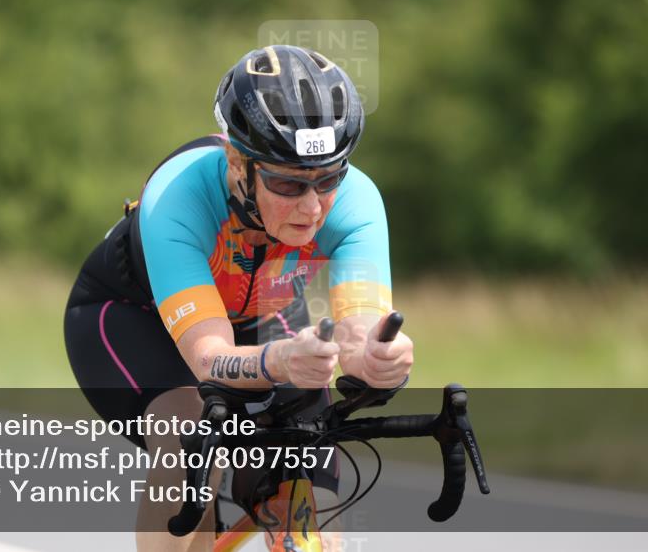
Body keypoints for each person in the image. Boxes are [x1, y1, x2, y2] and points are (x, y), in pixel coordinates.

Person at [64, 44, 413, 551]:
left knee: (310, 470)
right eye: (287, 184)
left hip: (264, 321)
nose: (313, 207)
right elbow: (209, 359)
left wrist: (378, 359)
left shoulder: (356, 202)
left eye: (329, 179)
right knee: (189, 436)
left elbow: (361, 330)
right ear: (237, 162)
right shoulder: (179, 196)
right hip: (133, 319)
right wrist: (279, 361)